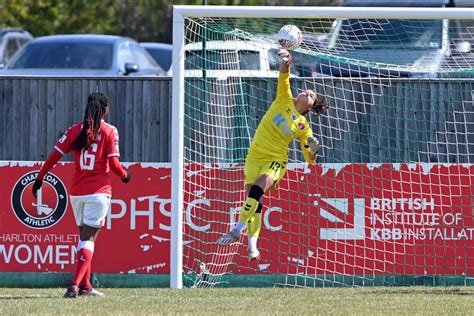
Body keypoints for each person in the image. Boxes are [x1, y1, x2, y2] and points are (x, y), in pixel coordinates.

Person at [216, 49, 328, 261]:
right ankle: (252, 247)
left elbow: (309, 160)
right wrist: (287, 59)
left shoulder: (304, 127)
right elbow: (284, 75)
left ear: (311, 107)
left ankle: (236, 230)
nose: (307, 93)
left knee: (258, 188)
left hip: (276, 160)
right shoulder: (284, 99)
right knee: (253, 200)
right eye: (306, 90)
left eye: (312, 95)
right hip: (255, 155)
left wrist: (313, 150)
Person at [32, 92, 131, 298]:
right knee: (88, 240)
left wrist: (40, 178)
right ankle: (74, 286)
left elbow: (53, 156)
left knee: (84, 240)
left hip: (76, 193)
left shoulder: (75, 130)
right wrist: (124, 175)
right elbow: (113, 164)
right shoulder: (109, 131)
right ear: (105, 110)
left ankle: (86, 286)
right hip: (98, 193)